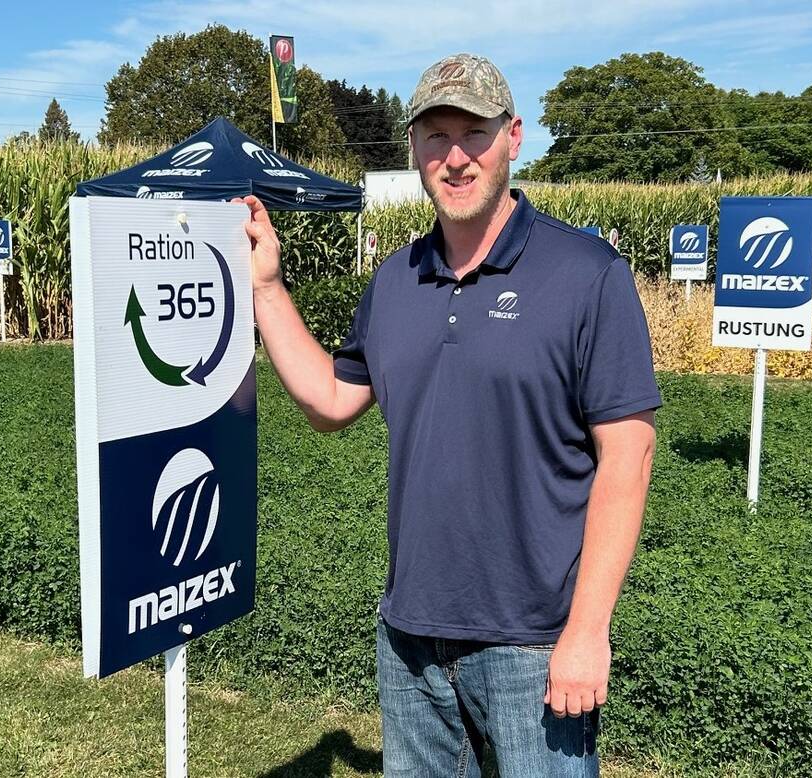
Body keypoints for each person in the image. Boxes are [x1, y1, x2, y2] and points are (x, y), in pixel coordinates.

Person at [238, 53, 660, 778]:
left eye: (475, 132)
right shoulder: (396, 280)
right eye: (436, 136)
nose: (456, 157)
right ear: (413, 147)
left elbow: (629, 454)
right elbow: (332, 401)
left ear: (513, 137)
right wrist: (268, 290)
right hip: (410, 640)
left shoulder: (586, 274)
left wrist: (588, 631)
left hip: (534, 643)